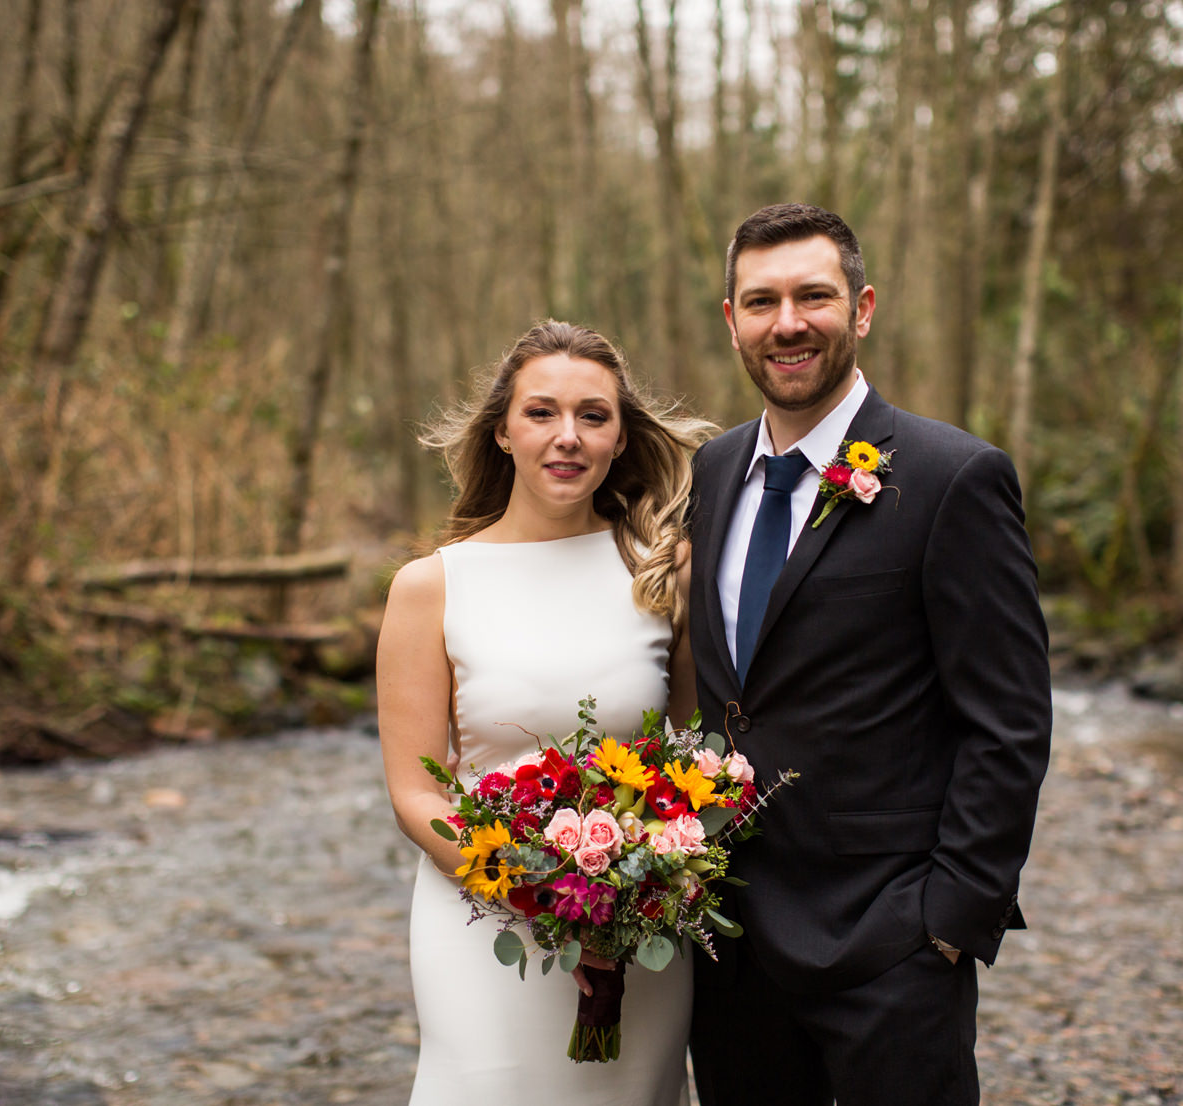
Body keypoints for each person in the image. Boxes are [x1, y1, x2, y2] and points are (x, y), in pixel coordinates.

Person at [686, 203, 1052, 1106]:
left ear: (863, 307)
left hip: (890, 948)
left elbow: (1008, 721)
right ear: (732, 321)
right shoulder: (709, 474)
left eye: (814, 295)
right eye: (761, 301)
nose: (789, 323)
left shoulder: (951, 477)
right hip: (728, 945)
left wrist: (950, 920)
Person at [375, 321, 713, 1106]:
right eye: (541, 413)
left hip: (636, 928)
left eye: (593, 416)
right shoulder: (432, 587)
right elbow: (415, 794)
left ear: (621, 436)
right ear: (502, 430)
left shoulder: (663, 571)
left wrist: (639, 887)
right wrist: (544, 890)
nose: (568, 437)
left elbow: (697, 755)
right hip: (481, 921)